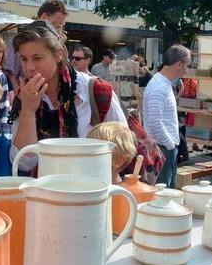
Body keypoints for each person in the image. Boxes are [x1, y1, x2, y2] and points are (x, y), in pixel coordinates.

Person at [8, 21, 127, 172]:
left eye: (37, 58)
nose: (30, 68)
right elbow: (23, 163)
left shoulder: (94, 90)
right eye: (24, 59)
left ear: (58, 55)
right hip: (45, 191)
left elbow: (124, 145)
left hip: (90, 189)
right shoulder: (25, 95)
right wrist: (28, 111)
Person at [143, 45, 190, 188]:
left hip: (165, 146)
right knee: (161, 194)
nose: (187, 69)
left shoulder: (164, 83)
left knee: (167, 190)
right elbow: (155, 122)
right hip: (162, 147)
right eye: (187, 64)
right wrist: (170, 145)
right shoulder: (159, 87)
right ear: (179, 64)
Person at [4, 0, 68, 86]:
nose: (58, 31)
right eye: (55, 25)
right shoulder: (22, 40)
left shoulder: (58, 43)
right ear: (44, 17)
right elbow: (10, 72)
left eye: (60, 27)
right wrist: (19, 94)